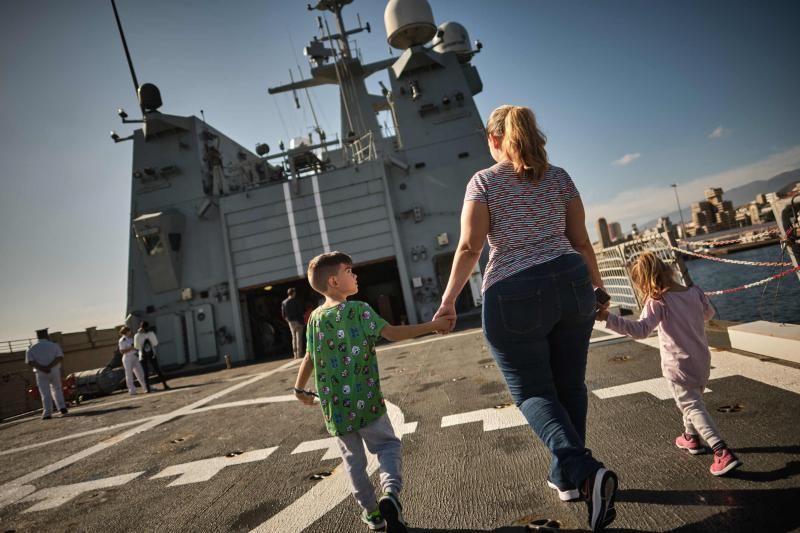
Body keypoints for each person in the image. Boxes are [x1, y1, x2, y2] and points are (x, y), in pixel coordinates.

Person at [433, 105, 618, 532]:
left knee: (534, 391)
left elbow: (469, 248)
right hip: (572, 283)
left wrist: (447, 302)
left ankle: (585, 472)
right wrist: (597, 290)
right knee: (569, 385)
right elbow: (583, 243)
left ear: (495, 139)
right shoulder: (560, 177)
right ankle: (567, 478)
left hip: (513, 292)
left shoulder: (483, 182)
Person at [293, 251, 450, 532]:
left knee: (353, 462)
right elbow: (390, 333)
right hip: (366, 402)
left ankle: (373, 514)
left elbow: (309, 357)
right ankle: (390, 493)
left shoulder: (314, 319)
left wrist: (299, 387)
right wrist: (432, 326)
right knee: (388, 446)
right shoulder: (359, 310)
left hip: (336, 408)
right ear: (334, 281)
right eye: (349, 271)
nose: (355, 275)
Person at [598, 251, 741, 476]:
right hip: (702, 362)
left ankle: (721, 450)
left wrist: (608, 318)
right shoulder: (695, 292)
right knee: (692, 402)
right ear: (667, 270)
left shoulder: (659, 301)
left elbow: (640, 330)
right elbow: (708, 314)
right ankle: (690, 437)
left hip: (678, 366)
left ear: (645, 281)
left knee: (691, 405)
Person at [25, 329, 68, 419]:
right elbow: (59, 357)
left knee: (45, 392)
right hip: (54, 370)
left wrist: (42, 368)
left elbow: (30, 362)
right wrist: (50, 366)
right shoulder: (54, 345)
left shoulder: (31, 347)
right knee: (57, 389)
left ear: (37, 336)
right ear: (46, 335)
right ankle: (62, 407)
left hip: (40, 372)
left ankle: (47, 412)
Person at [134, 321, 170, 391]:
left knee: (145, 372)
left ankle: (147, 389)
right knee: (158, 370)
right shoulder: (151, 333)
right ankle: (165, 385)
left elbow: (136, 346)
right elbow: (155, 343)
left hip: (142, 355)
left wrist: (139, 336)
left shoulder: (137, 335)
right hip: (152, 354)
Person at [118, 326, 148, 395]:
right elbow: (122, 351)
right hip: (127, 358)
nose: (130, 332)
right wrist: (131, 348)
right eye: (128, 331)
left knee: (140, 372)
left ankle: (146, 387)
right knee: (129, 374)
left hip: (135, 356)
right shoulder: (122, 340)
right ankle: (131, 390)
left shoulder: (131, 339)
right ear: (126, 332)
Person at [282, 287, 305, 359]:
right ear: (293, 293)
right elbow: (300, 311)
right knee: (299, 337)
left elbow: (283, 314)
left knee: (293, 337)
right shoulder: (296, 301)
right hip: (298, 320)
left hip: (290, 321)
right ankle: (299, 353)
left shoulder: (284, 302)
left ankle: (295, 354)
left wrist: (288, 320)